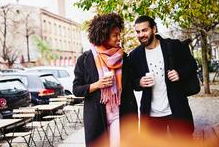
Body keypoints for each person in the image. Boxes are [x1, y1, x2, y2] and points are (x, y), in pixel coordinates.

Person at [73, 13, 138, 147]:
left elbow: (132, 83)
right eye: (115, 35)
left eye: (119, 34)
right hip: (97, 116)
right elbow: (76, 89)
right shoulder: (85, 59)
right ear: (103, 36)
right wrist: (97, 85)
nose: (119, 38)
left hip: (121, 115)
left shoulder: (123, 58)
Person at [129, 15, 195, 139]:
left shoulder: (173, 46)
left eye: (144, 30)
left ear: (154, 29)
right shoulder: (135, 55)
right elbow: (132, 82)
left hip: (177, 110)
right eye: (138, 32)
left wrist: (179, 73)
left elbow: (192, 65)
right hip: (151, 115)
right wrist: (139, 82)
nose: (141, 35)